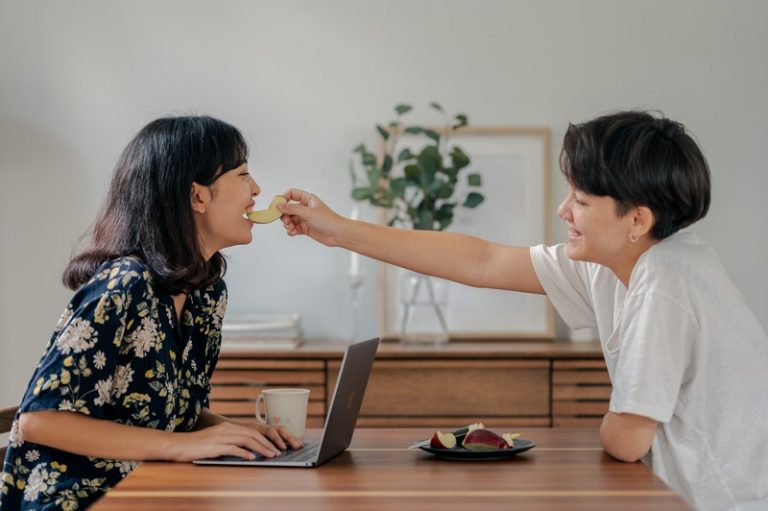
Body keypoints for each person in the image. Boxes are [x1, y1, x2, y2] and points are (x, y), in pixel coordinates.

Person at [278, 111, 768, 510]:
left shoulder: (665, 281)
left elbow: (626, 441)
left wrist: (616, 420)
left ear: (637, 219)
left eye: (580, 199)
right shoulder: (622, 262)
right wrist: (337, 229)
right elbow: (483, 261)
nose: (563, 211)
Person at [0, 116, 302, 510]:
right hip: (84, 501)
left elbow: (174, 407)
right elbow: (40, 420)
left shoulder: (207, 293)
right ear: (197, 197)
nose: (257, 189)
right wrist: (185, 445)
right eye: (242, 174)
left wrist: (238, 433)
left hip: (152, 489)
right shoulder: (125, 284)